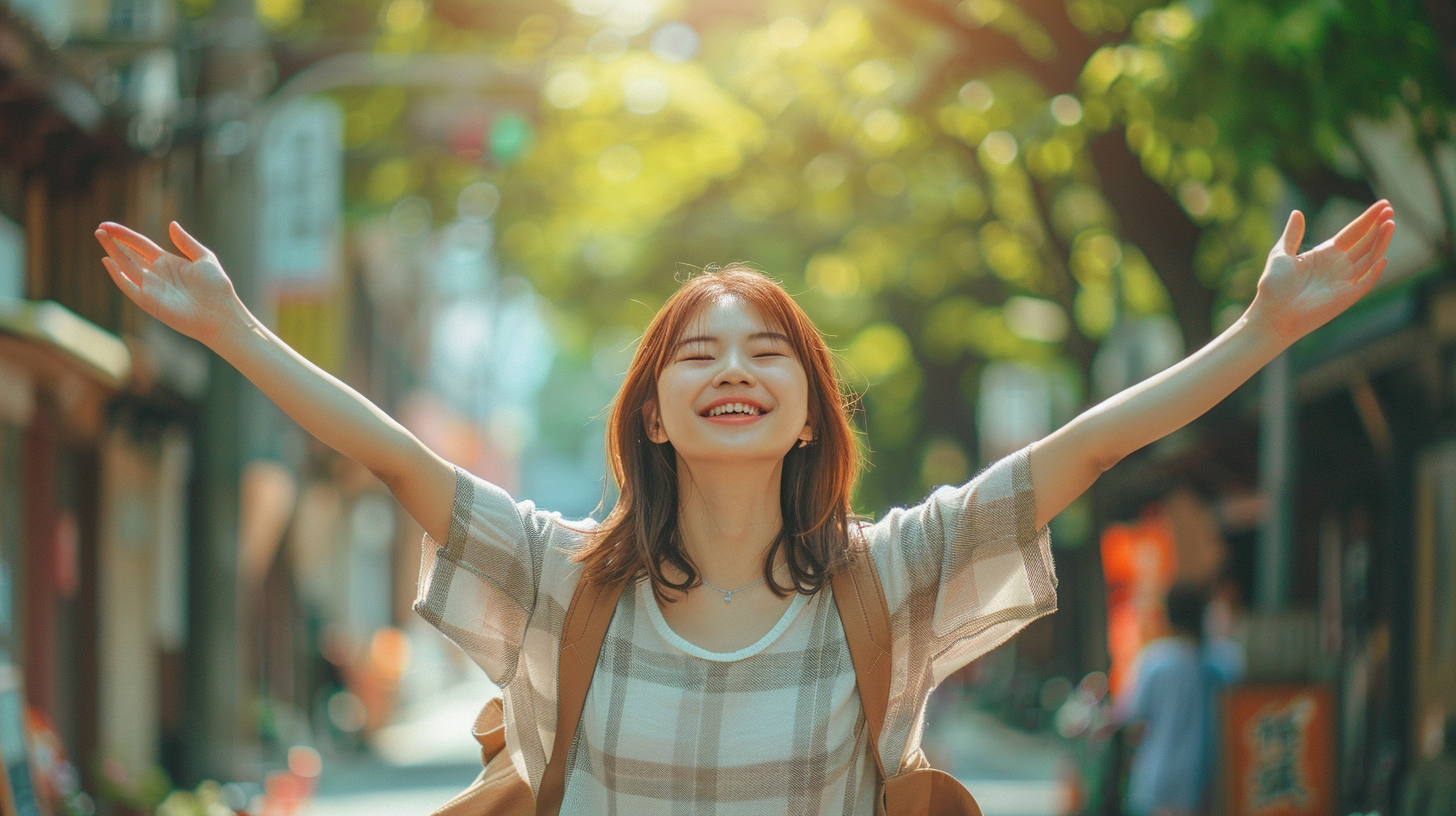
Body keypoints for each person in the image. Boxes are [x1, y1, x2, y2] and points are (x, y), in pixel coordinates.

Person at [92, 199, 1394, 813]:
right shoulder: (564, 579)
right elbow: (395, 460)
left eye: (768, 351)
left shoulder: (886, 580)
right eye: (696, 353)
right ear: (650, 411)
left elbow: (1081, 452)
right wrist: (234, 328)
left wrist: (1258, 332)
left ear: (813, 409)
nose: (732, 369)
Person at [1123, 581, 1240, 816]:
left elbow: (1131, 719)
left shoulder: (1154, 661)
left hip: (1156, 778)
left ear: (1168, 615)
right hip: (1209, 780)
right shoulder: (1224, 661)